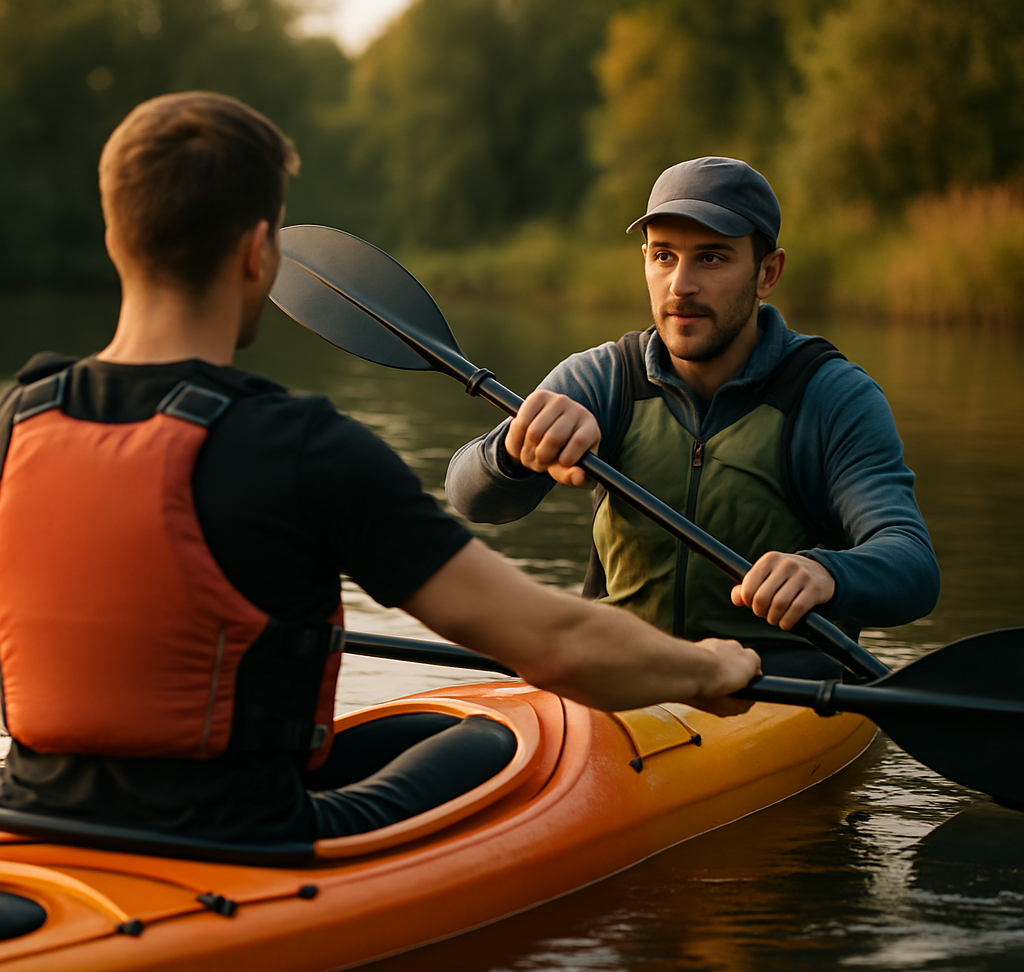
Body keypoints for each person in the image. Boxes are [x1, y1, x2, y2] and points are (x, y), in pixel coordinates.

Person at [0, 95, 759, 849]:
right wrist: (705, 668)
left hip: (29, 813)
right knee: (496, 742)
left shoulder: (17, 420)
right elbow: (551, 644)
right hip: (243, 841)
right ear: (258, 252)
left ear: (115, 238)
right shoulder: (305, 448)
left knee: (418, 728)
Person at [446, 157, 940, 679]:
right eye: (664, 256)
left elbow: (911, 563)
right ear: (645, 260)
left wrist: (827, 573)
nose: (680, 285)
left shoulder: (832, 397)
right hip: (622, 677)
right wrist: (514, 451)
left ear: (767, 273)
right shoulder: (603, 379)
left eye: (711, 258)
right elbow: (467, 497)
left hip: (778, 687)